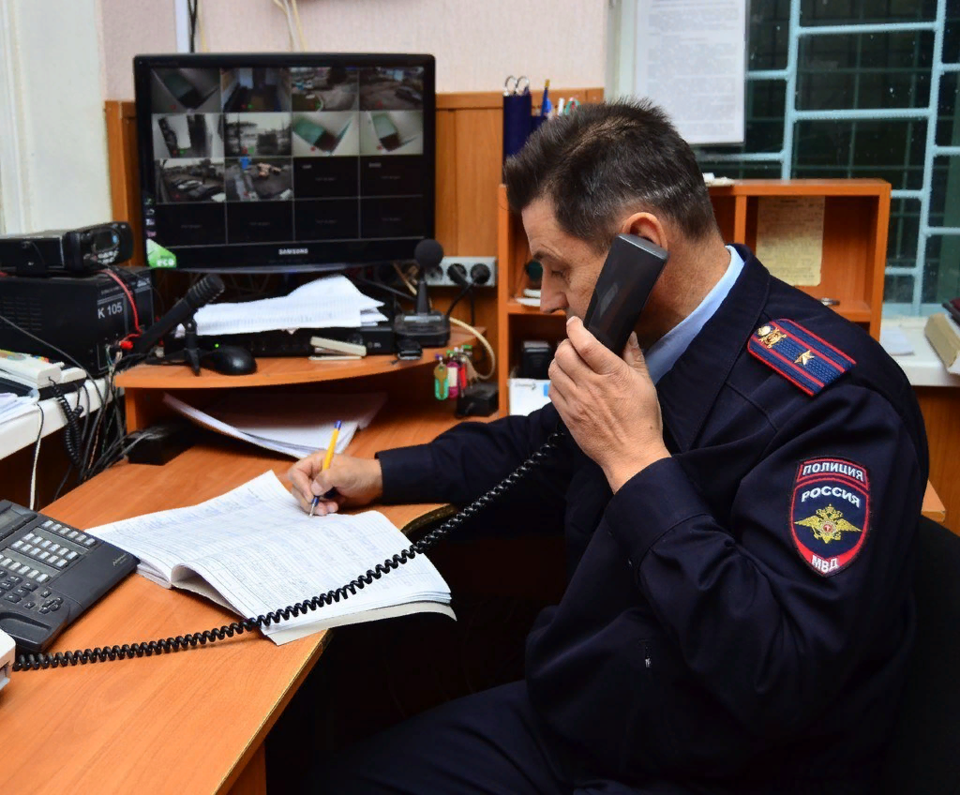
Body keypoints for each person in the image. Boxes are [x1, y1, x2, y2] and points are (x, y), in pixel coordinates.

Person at [287, 99, 929, 794]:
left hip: (718, 767)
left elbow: (775, 667)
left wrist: (636, 459)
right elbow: (533, 451)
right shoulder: (642, 349)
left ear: (642, 244)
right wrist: (380, 471)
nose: (545, 298)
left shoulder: (835, 403)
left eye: (556, 268)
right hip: (592, 717)